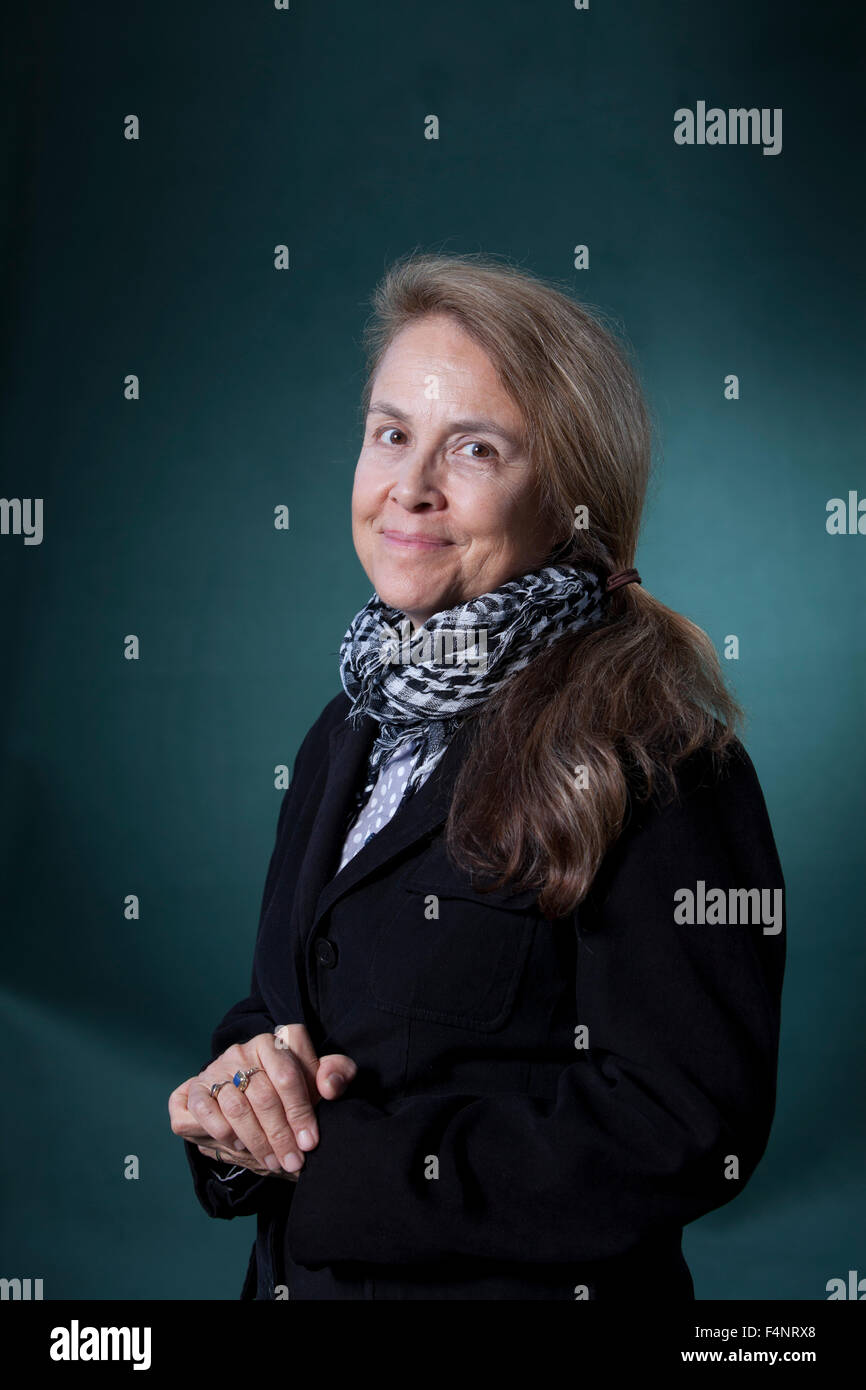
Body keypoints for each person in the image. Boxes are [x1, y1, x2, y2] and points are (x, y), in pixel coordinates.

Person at [168, 252, 786, 1301]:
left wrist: (351, 1170)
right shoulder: (347, 725)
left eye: (474, 449)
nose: (409, 487)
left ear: (571, 498)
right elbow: (293, 1005)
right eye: (390, 433)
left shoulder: (658, 755)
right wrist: (240, 1101)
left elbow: (686, 1126)